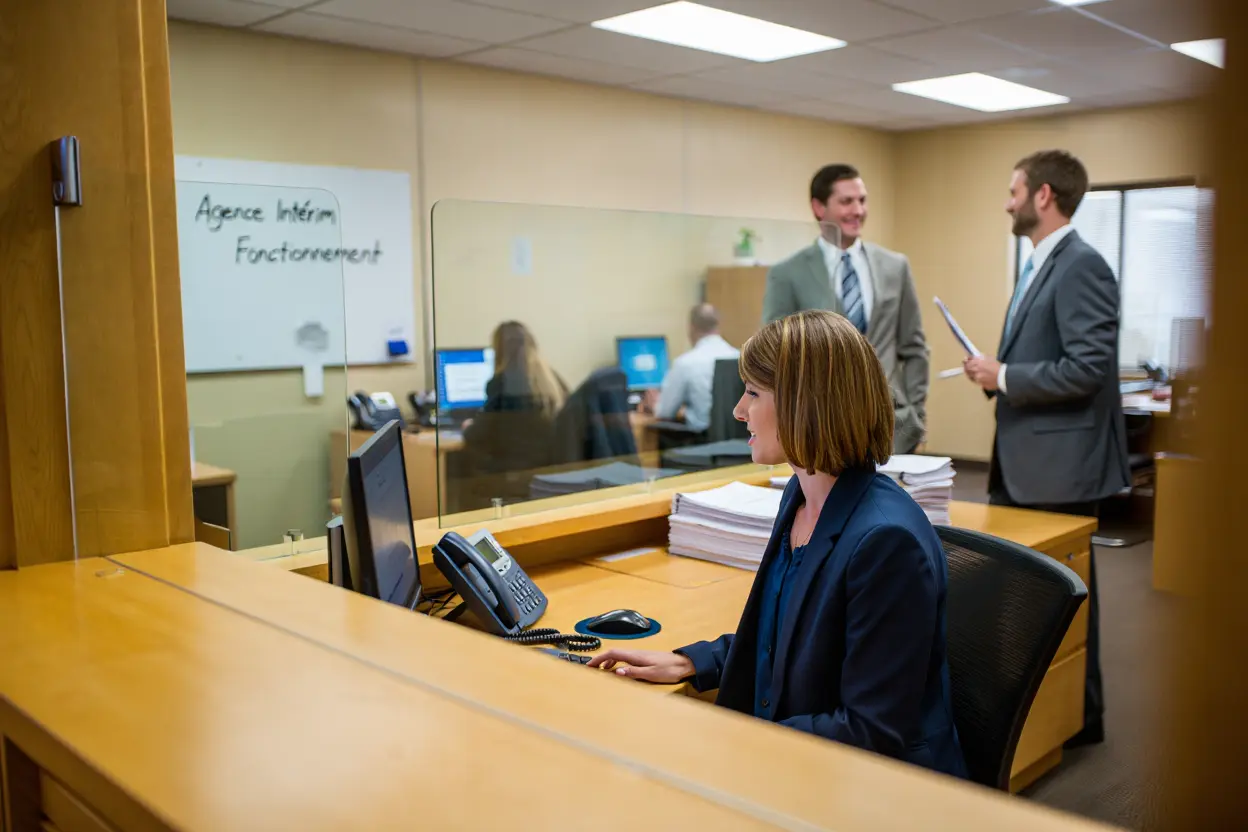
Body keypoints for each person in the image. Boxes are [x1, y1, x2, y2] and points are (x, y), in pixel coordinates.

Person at [589, 311, 967, 779]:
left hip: (873, 794)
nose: (738, 411)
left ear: (805, 404)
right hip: (805, 762)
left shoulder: (885, 542)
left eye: (752, 393)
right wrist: (690, 661)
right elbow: (787, 639)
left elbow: (871, 732)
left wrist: (734, 745)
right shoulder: (802, 496)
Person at [963, 149, 1127, 747]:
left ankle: (1079, 719)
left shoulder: (1081, 266)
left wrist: (1004, 376)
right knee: (1033, 594)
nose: (1007, 202)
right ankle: (1049, 712)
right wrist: (995, 374)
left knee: (1066, 595)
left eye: (1014, 190)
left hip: (1060, 469)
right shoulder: (1038, 264)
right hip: (1026, 460)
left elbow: (1086, 368)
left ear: (1043, 195)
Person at [760, 163, 929, 454]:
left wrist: (917, 416)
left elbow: (914, 348)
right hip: (819, 428)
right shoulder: (788, 273)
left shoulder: (895, 266)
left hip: (892, 426)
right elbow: (774, 355)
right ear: (818, 207)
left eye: (862, 200)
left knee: (890, 501)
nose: (858, 210)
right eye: (846, 201)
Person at [462, 321, 567, 474]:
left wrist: (468, 426)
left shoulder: (502, 383)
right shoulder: (552, 380)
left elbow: (476, 435)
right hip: (549, 474)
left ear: (499, 351)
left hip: (511, 475)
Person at [644, 303, 739, 432]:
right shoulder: (739, 356)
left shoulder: (685, 363)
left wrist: (653, 404)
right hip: (739, 441)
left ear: (691, 327)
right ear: (718, 325)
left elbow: (665, 413)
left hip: (700, 441)